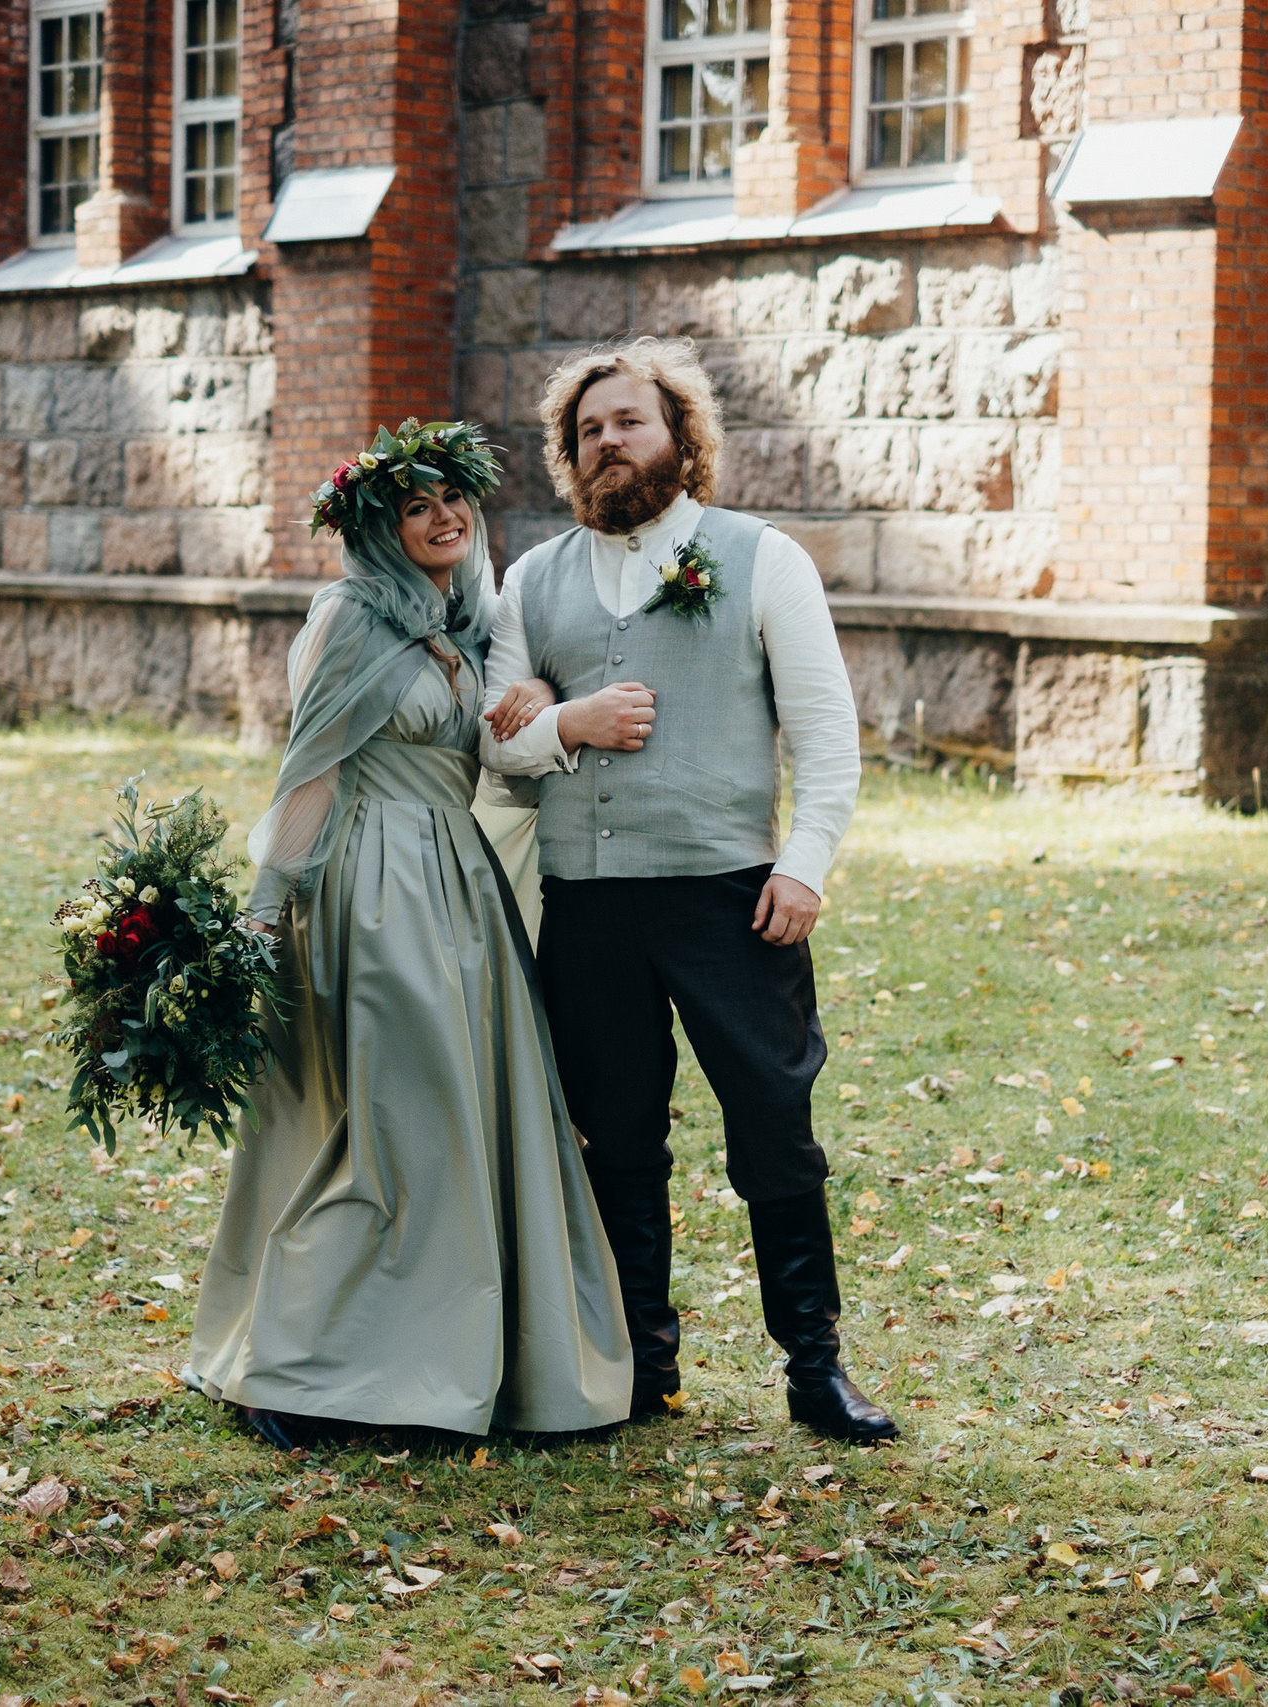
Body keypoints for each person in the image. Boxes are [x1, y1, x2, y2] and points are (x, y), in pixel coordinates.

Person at [480, 339, 898, 1444]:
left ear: (679, 437)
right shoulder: (529, 582)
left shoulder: (761, 558)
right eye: (588, 431)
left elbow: (824, 733)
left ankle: (814, 1366)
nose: (609, 442)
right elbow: (495, 749)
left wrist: (803, 864)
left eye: (629, 421)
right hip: (586, 904)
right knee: (613, 1140)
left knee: (773, 1123)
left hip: (731, 899)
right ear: (569, 457)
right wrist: (564, 723)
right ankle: (642, 1368)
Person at [182, 420, 632, 1445]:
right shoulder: (347, 618)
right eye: (414, 506)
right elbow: (310, 773)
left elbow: (488, 755)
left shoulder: (465, 619)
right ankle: (299, 1373)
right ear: (378, 530)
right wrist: (263, 911)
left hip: (458, 889)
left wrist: (538, 702)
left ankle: (451, 1362)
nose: (441, 517)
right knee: (391, 1124)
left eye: (451, 500)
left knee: (458, 1123)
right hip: (372, 887)